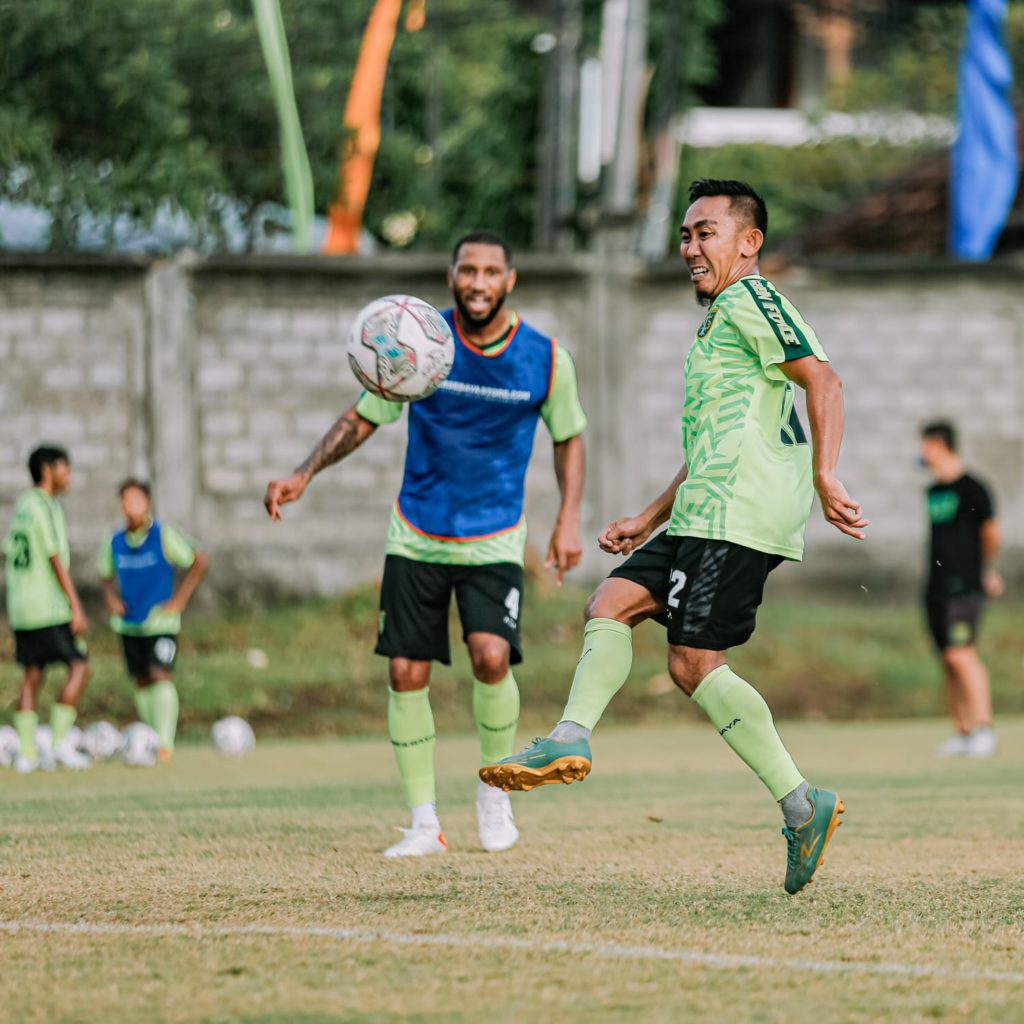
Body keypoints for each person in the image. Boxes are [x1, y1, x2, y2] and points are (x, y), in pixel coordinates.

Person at [481, 180, 870, 895]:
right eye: (686, 235)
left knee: (692, 664)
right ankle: (569, 737)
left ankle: (800, 802)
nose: (691, 247)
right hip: (702, 509)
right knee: (610, 602)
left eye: (707, 233)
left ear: (748, 242)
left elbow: (827, 381)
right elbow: (720, 438)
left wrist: (826, 474)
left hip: (737, 515)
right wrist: (650, 515)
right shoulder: (723, 317)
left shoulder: (752, 298)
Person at [264, 231, 587, 858]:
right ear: (451, 275)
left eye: (491, 271)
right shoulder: (416, 340)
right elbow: (365, 415)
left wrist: (568, 519)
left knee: (492, 657)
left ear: (510, 280)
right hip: (416, 533)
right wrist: (303, 473)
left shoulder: (546, 359)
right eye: (468, 269)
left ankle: (495, 796)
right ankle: (423, 824)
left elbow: (568, 436)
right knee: (406, 671)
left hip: (494, 538)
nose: (478, 282)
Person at [98, 479, 209, 764]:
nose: (130, 506)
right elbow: (105, 575)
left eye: (136, 500)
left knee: (160, 674)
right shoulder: (115, 541)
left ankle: (165, 743)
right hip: (128, 623)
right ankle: (150, 737)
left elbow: (199, 561)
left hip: (161, 622)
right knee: (142, 679)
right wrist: (111, 598)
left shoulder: (164, 535)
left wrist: (180, 600)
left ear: (147, 503)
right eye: (126, 500)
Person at [3, 445, 92, 772]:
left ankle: (27, 753)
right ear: (46, 469)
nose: (68, 475)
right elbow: (55, 557)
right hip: (47, 605)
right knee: (81, 667)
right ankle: (57, 744)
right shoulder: (44, 506)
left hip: (21, 605)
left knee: (32, 674)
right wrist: (76, 606)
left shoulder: (22, 506)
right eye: (64, 468)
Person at [919, 421, 1002, 758]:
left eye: (924, 446)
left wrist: (985, 570)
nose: (921, 454)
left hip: (965, 586)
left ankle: (984, 729)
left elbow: (991, 534)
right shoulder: (933, 491)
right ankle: (963, 731)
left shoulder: (973, 488)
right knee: (947, 660)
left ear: (938, 445)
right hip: (935, 587)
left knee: (961, 653)